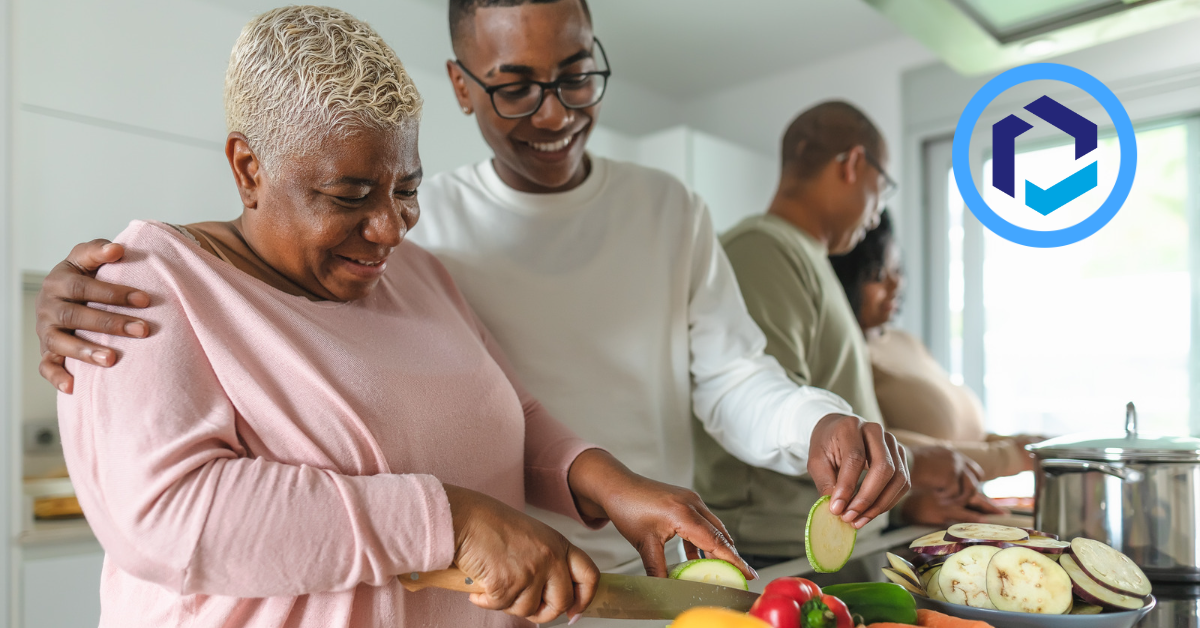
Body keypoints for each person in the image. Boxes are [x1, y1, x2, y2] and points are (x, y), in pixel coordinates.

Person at [35, 0, 915, 574]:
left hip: (637, 565)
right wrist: (451, 519)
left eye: (574, 75)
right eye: (516, 86)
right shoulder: (404, 239)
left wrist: (806, 424)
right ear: (461, 88)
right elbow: (177, 493)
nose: (555, 112)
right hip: (498, 572)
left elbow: (711, 380)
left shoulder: (649, 213)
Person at [697, 102, 1005, 568]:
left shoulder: (808, 259)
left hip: (836, 546)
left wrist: (901, 499)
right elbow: (766, 415)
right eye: (884, 188)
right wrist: (921, 462)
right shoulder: (761, 249)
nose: (879, 208)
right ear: (854, 163)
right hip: (780, 552)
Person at [830, 210, 1041, 481]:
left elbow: (963, 434)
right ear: (846, 279)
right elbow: (880, 445)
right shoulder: (847, 355)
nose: (896, 284)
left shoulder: (905, 342)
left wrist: (1024, 444)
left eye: (897, 270)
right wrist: (1010, 456)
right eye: (878, 275)